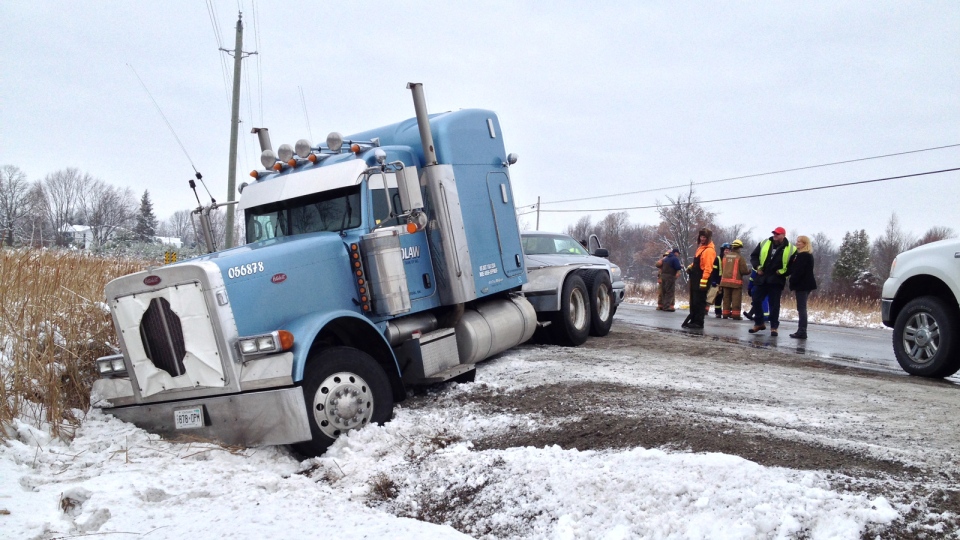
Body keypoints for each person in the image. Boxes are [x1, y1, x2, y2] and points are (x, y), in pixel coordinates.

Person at [748, 227, 795, 337]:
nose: (775, 235)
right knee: (756, 299)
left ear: (783, 235)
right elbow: (754, 256)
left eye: (778, 234)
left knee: (774, 304)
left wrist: (783, 272)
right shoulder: (764, 243)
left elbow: (793, 266)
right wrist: (758, 267)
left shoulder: (791, 248)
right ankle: (759, 323)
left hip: (776, 280)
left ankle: (774, 327)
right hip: (762, 277)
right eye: (774, 233)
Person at [682, 228, 716, 329]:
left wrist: (703, 282)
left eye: (704, 237)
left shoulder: (709, 251)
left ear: (708, 238)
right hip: (696, 278)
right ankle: (693, 320)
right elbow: (699, 262)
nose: (702, 239)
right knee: (694, 301)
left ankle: (698, 322)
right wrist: (691, 266)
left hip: (702, 280)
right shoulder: (701, 248)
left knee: (699, 301)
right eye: (701, 236)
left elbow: (708, 268)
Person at [788, 235, 817, 339]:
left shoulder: (804, 256)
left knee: (802, 308)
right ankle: (801, 330)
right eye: (797, 241)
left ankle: (802, 331)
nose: (797, 243)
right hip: (806, 284)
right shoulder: (802, 255)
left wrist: (792, 281)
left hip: (803, 285)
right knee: (801, 307)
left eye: (799, 242)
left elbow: (798, 271)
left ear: (805, 244)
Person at [719, 239, 751, 319]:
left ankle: (725, 314)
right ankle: (735, 315)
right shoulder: (740, 257)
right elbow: (743, 270)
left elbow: (723, 268)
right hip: (735, 283)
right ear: (739, 248)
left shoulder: (725, 256)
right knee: (736, 299)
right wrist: (749, 271)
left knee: (726, 299)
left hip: (725, 282)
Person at [711, 243, 730, 317]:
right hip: (719, 280)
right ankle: (718, 312)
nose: (727, 252)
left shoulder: (731, 259)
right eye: (725, 250)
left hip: (728, 281)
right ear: (722, 250)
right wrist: (714, 281)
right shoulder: (718, 258)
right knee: (719, 297)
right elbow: (714, 271)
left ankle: (726, 312)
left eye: (728, 250)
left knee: (727, 298)